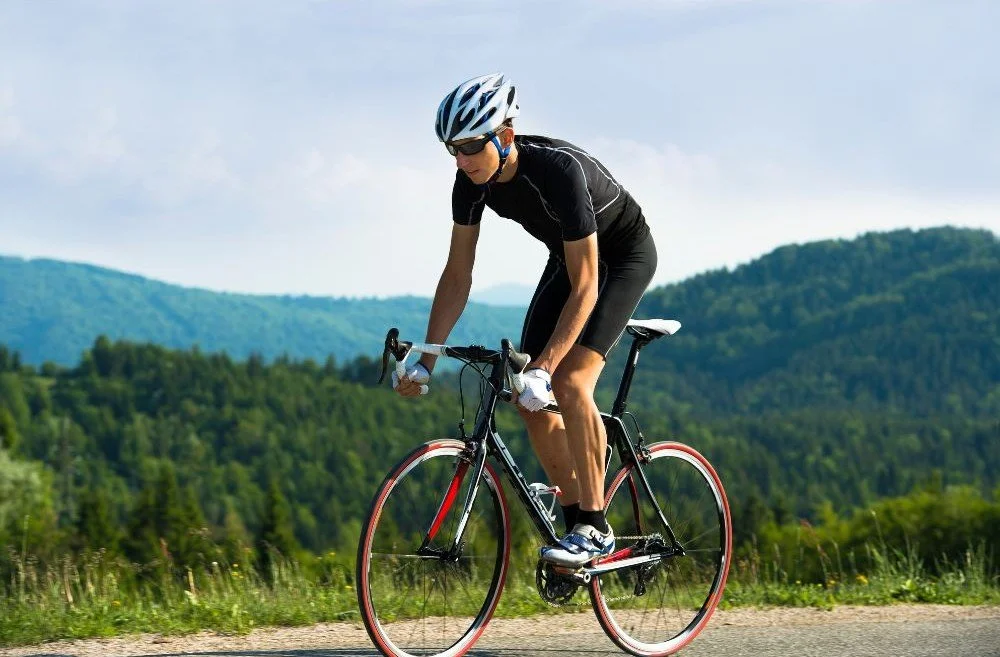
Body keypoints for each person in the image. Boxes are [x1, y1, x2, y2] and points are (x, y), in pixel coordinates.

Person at [393, 73, 657, 567]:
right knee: (525, 397)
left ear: (505, 136)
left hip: (620, 258)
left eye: (471, 146)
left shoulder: (560, 172)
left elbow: (587, 285)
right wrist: (425, 357)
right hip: (571, 256)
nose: (461, 160)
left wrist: (546, 365)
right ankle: (578, 518)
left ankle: (595, 528)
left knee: (572, 382)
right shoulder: (469, 183)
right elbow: (458, 274)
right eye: (453, 149)